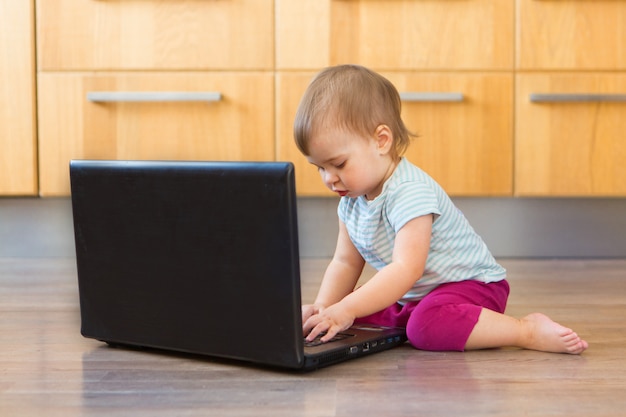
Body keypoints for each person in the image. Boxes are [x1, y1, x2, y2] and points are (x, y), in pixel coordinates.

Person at [294, 64, 588, 354]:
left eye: (339, 164)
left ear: (381, 141)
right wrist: (326, 308)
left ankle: (526, 330)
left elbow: (405, 269)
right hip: (415, 295)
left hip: (471, 287)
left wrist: (345, 308)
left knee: (422, 327)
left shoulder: (410, 192)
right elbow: (345, 263)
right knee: (353, 314)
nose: (329, 178)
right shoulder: (351, 200)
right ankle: (413, 317)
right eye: (319, 167)